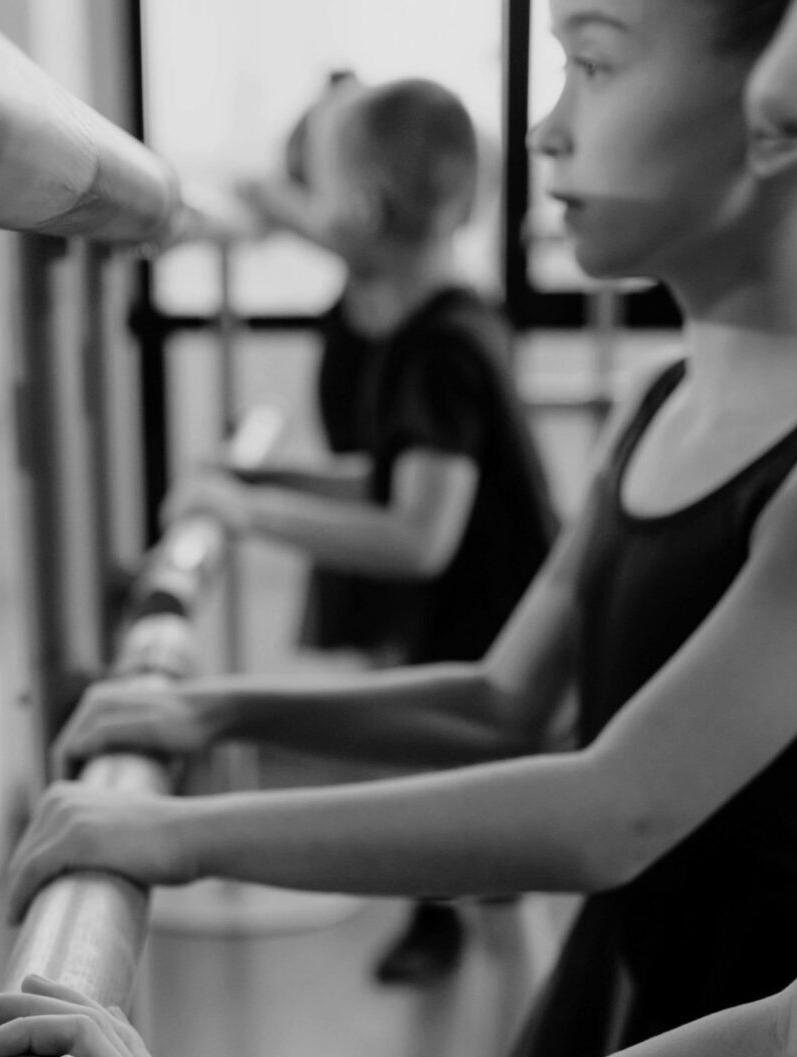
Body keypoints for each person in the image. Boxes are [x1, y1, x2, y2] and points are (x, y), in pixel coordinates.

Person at [0, 0, 797, 1057]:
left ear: (761, 126)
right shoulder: (656, 396)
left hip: (711, 1007)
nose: (542, 130)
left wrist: (182, 832)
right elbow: (501, 699)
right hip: (636, 1018)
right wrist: (211, 714)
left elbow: (612, 812)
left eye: (595, 66)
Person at [164, 75, 558, 986]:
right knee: (481, 893)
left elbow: (418, 535)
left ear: (362, 209)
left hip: (494, 651)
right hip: (475, 641)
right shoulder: (421, 327)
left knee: (500, 908)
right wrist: (264, 477)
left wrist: (251, 512)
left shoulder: (439, 347)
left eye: (319, 190)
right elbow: (384, 475)